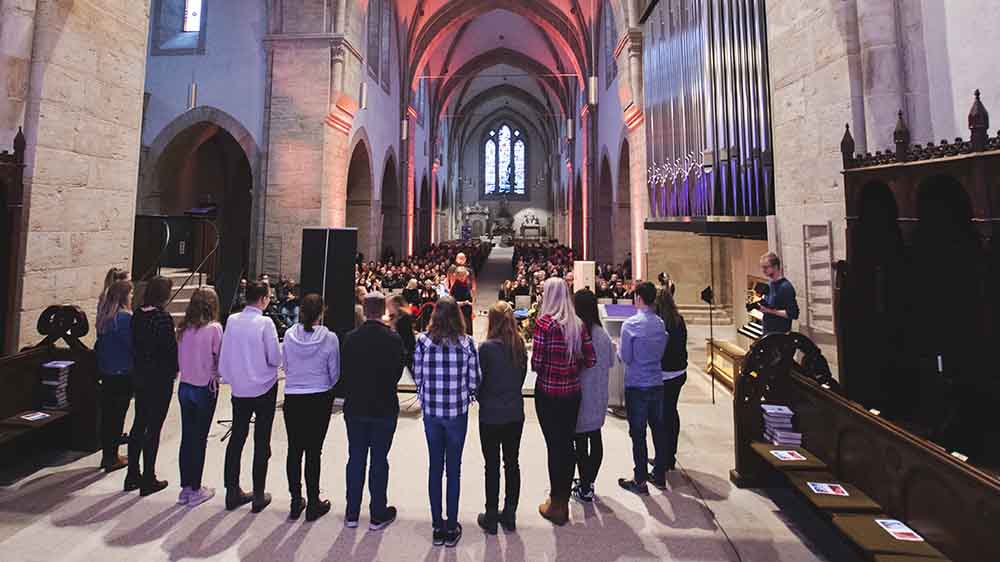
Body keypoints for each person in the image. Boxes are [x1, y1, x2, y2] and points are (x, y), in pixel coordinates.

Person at [413, 297, 481, 547]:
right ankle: (451, 526)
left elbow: (417, 377)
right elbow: (474, 382)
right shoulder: (467, 344)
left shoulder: (422, 342)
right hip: (456, 413)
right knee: (454, 469)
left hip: (432, 412)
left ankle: (436, 526)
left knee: (434, 467)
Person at [531, 277, 596, 525]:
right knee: (567, 445)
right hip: (571, 394)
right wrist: (572, 365)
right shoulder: (577, 324)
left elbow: (536, 364)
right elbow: (590, 360)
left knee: (554, 446)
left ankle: (555, 504)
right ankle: (563, 501)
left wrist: (552, 365)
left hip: (548, 394)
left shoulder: (544, 324)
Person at [341, 292, 404, 530]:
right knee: (379, 459)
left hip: (356, 405)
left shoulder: (349, 338)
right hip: (383, 407)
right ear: (383, 311)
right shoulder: (393, 338)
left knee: (355, 458)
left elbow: (344, 371)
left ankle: (352, 514)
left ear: (365, 311)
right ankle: (378, 514)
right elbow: (398, 372)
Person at [219, 280, 281, 513]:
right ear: (263, 299)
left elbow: (226, 352)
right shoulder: (265, 323)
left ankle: (231, 491)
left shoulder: (232, 320)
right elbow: (275, 358)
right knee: (261, 441)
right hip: (264, 388)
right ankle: (257, 494)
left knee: (237, 438)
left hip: (239, 388)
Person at [282, 294, 339, 522]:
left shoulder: (288, 334)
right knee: (314, 451)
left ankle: (296, 500)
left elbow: (285, 365)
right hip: (319, 397)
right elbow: (334, 372)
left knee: (294, 450)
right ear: (321, 313)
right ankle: (313, 502)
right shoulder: (330, 338)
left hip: (293, 396)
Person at [476, 301, 527, 534]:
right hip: (515, 412)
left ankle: (491, 514)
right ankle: (510, 513)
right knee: (512, 463)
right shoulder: (520, 346)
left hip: (490, 414)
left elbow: (479, 381)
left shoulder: (486, 348)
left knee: (492, 465)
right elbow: (522, 378)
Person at [128, 276, 178, 497]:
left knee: (139, 423)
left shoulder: (138, 315)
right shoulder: (162, 318)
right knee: (153, 427)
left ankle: (132, 474)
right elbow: (169, 350)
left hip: (141, 375)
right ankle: (148, 477)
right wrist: (174, 369)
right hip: (159, 378)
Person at [617, 282, 669, 495]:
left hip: (637, 384)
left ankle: (640, 480)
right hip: (656, 382)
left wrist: (618, 349)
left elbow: (626, 358)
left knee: (638, 434)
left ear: (638, 298)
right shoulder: (660, 323)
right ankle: (659, 475)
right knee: (658, 430)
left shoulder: (630, 325)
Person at [175, 287, 223, 507]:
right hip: (204, 387)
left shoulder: (183, 328)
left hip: (185, 386)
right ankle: (196, 488)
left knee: (187, 437)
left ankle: (185, 487)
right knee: (199, 439)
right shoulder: (214, 329)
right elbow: (219, 358)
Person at [571, 289, 615, 503]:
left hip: (580, 394)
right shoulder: (603, 335)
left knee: (580, 442)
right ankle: (589, 482)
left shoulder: (578, 333)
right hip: (598, 393)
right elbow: (610, 362)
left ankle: (586, 485)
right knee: (595, 437)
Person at [95, 280, 134, 473]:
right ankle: (112, 457)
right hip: (122, 372)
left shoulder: (104, 318)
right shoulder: (124, 319)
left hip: (106, 371)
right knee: (117, 416)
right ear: (124, 296)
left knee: (108, 416)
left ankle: (107, 455)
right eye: (131, 294)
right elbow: (131, 345)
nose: (132, 297)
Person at [654, 287, 687, 472]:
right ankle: (670, 455)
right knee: (671, 413)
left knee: (661, 417)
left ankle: (663, 458)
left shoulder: (660, 323)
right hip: (679, 372)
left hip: (665, 374)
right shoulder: (678, 320)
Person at [758, 252, 800, 334]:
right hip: (768, 333)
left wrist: (769, 311)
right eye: (762, 267)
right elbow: (770, 307)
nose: (763, 270)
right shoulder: (769, 284)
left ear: (775, 267)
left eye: (766, 267)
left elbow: (793, 314)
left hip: (779, 336)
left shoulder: (785, 287)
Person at [387, 294, 416, 370]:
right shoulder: (396, 316)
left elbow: (403, 337)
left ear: (396, 305)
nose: (387, 308)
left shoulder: (404, 318)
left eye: (389, 305)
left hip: (405, 352)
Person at [450, 267, 474, 336]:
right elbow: (453, 302)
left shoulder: (467, 283)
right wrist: (464, 303)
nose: (463, 277)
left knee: (468, 331)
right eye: (461, 275)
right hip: (459, 312)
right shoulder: (455, 287)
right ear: (457, 276)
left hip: (467, 311)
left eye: (464, 275)